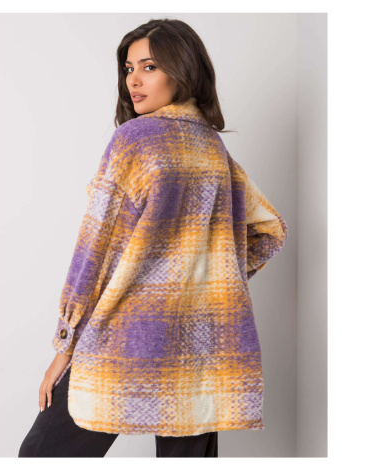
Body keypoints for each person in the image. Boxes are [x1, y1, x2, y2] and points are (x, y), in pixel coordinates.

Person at [18, 18, 287, 458]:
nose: (134, 81)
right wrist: (206, 284)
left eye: (149, 67)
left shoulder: (134, 140)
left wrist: (64, 347)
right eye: (129, 69)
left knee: (43, 455)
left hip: (125, 336)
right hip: (203, 349)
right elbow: (269, 229)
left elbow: (95, 250)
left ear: (182, 71)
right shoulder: (212, 148)